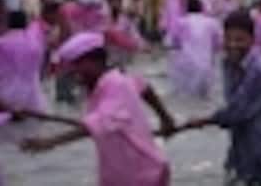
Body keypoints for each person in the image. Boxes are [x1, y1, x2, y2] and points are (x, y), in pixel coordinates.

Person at [20, 33, 175, 186]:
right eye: (70, 65)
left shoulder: (115, 85)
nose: (72, 71)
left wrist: (50, 142)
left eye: (77, 64)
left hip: (139, 174)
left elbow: (98, 122)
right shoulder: (115, 79)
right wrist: (165, 118)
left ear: (97, 61)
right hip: (127, 172)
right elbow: (144, 87)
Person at [182, 11, 261, 186]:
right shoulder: (228, 65)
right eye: (228, 39)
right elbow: (234, 108)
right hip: (244, 154)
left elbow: (237, 111)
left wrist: (204, 120)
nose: (233, 45)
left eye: (239, 40)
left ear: (252, 40)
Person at [170, 0, 223, 98]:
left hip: (185, 63)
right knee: (204, 97)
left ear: (187, 9)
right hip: (205, 64)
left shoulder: (180, 22)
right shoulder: (212, 22)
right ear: (202, 9)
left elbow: (175, 43)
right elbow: (219, 44)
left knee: (186, 97)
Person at [0, 11, 47, 114]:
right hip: (33, 102)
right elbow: (41, 69)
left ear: (7, 23)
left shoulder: (1, 44)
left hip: (6, 102)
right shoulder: (36, 44)